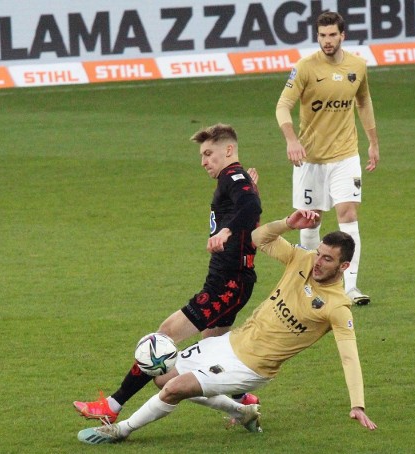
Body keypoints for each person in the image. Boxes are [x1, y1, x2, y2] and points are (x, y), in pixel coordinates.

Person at [77, 208, 377, 444]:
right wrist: (288, 222)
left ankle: (121, 431)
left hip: (252, 367)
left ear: (344, 266)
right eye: (319, 253)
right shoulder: (303, 258)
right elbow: (259, 238)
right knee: (161, 378)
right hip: (230, 343)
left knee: (174, 388)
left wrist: (358, 404)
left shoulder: (337, 307)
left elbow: (349, 356)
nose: (318, 263)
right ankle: (242, 411)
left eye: (327, 259)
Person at [73, 123, 262, 423]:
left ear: (228, 150)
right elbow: (249, 207)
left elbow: (251, 206)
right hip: (230, 281)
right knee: (213, 352)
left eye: (209, 153)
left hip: (226, 284)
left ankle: (112, 405)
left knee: (162, 339)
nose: (203, 161)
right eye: (202, 155)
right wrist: (249, 192)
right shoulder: (234, 179)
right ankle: (243, 401)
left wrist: (227, 228)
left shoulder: (232, 176)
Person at [275, 11, 380, 305]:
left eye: (332, 35)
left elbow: (364, 101)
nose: (327, 41)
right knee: (310, 222)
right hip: (311, 160)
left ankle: (349, 287)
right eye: (322, 35)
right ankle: (313, 282)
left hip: (346, 156)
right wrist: (291, 140)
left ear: (342, 35)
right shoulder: (305, 68)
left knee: (348, 214)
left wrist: (373, 142)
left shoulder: (357, 66)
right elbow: (282, 106)